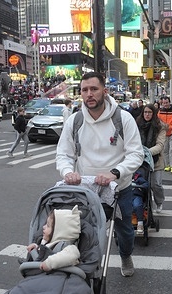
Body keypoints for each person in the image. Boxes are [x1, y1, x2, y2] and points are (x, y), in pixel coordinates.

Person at [55, 71, 144, 277]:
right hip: (87, 189)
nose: (89, 94)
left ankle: (125, 255)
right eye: (85, 90)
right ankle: (89, 266)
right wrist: (68, 173)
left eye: (94, 89)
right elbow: (64, 154)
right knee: (87, 231)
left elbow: (136, 154)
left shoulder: (124, 118)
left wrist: (115, 173)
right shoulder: (75, 121)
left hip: (119, 188)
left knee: (125, 232)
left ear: (104, 91)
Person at [26, 206, 81, 272]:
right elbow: (42, 254)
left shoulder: (66, 246)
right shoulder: (48, 242)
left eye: (48, 225)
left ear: (59, 231)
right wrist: (36, 248)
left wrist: (50, 263)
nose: (43, 227)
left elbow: (72, 255)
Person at [136, 104, 167, 213]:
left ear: (153, 114)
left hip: (155, 160)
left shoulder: (160, 126)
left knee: (156, 184)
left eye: (149, 112)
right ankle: (145, 205)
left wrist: (147, 152)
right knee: (141, 185)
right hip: (139, 160)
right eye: (145, 112)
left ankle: (159, 202)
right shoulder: (137, 124)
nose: (147, 114)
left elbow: (160, 145)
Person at [131, 170, 149, 235]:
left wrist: (140, 187)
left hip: (136, 195)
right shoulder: (123, 179)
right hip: (126, 196)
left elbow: (146, 184)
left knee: (137, 205)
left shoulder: (138, 178)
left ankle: (140, 223)